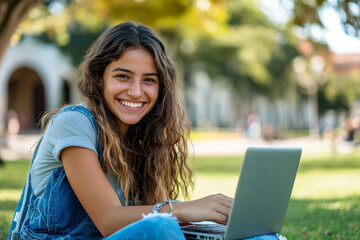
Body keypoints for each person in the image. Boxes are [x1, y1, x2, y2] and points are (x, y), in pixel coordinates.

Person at [8, 22, 280, 240]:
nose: (136, 92)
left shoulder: (141, 139)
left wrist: (203, 219)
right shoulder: (75, 122)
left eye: (149, 80)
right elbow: (107, 220)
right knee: (160, 230)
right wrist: (187, 208)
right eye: (123, 76)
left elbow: (136, 221)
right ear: (100, 76)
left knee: (261, 238)